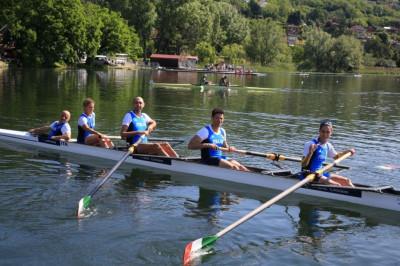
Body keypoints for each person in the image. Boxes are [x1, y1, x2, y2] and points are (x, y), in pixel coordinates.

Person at [301, 121, 355, 187]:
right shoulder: (310, 144)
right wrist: (310, 153)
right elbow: (303, 165)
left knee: (347, 181)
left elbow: (336, 157)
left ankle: (359, 194)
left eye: (328, 132)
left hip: (320, 173)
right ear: (319, 131)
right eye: (323, 131)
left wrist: (346, 152)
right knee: (337, 185)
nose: (325, 134)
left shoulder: (328, 145)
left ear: (331, 133)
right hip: (308, 174)